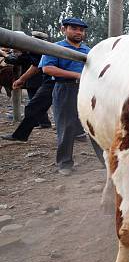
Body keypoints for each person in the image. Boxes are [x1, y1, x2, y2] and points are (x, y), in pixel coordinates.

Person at [39, 18, 90, 175]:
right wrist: (77, 75)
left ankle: (104, 161)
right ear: (63, 29)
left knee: (93, 124)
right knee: (66, 126)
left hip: (87, 89)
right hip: (65, 88)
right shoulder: (55, 48)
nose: (78, 32)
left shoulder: (88, 50)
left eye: (81, 30)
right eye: (74, 28)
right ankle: (65, 163)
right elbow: (47, 69)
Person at [1, 31, 54, 142]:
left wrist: (21, 79)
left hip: (49, 81)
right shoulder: (40, 49)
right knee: (35, 106)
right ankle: (22, 134)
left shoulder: (36, 50)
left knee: (34, 106)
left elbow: (35, 67)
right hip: (49, 81)